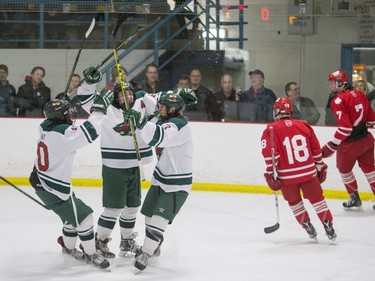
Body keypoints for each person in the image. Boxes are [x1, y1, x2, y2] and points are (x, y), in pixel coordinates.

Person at [28, 66, 113, 270]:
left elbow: (59, 120)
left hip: (43, 183)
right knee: (85, 217)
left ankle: (68, 247)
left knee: (71, 217)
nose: (70, 114)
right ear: (59, 118)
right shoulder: (63, 135)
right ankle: (91, 254)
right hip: (54, 188)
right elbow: (89, 131)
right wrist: (99, 110)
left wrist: (61, 103)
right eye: (67, 112)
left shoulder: (45, 127)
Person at [117, 91, 193, 272]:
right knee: (149, 216)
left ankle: (145, 252)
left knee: (159, 219)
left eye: (164, 106)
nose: (160, 108)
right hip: (160, 178)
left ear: (173, 109)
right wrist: (134, 122)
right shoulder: (164, 120)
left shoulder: (180, 126)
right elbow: (149, 128)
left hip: (177, 183)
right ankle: (154, 244)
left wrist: (140, 121)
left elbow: (157, 136)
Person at [77, 81, 154, 259]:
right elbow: (85, 97)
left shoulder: (141, 103)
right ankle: (100, 242)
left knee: (132, 206)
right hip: (114, 167)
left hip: (134, 165)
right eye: (121, 95)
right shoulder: (106, 108)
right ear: (114, 97)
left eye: (128, 94)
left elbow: (161, 101)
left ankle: (126, 240)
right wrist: (89, 82)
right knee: (113, 208)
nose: (126, 97)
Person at [261, 97, 336, 241]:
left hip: (287, 178)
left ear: (276, 112)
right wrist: (321, 166)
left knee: (295, 203)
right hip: (309, 173)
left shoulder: (271, 129)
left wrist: (270, 174)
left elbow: (270, 154)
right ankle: (328, 225)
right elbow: (315, 150)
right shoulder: (304, 126)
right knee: (318, 200)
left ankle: (307, 225)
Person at [321, 70, 375, 211]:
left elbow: (345, 129)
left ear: (340, 83)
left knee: (344, 170)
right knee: (370, 170)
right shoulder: (360, 94)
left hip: (350, 145)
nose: (330, 86)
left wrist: (331, 146)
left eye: (332, 83)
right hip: (367, 140)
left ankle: (354, 198)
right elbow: (371, 120)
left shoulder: (338, 100)